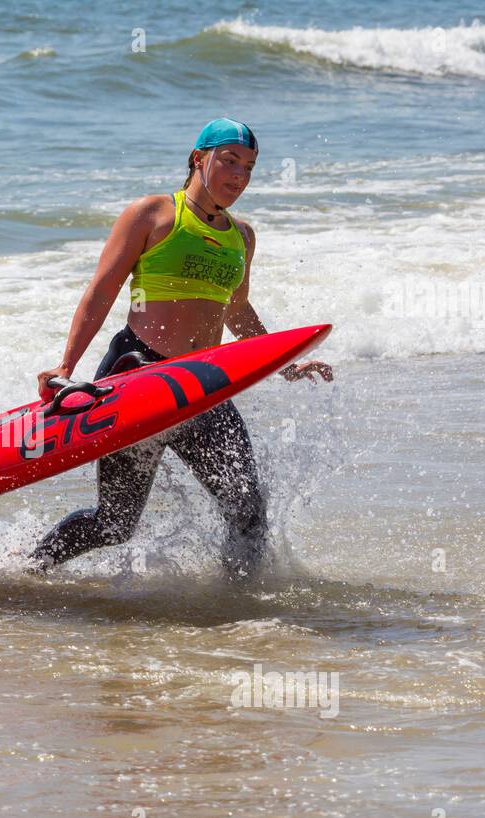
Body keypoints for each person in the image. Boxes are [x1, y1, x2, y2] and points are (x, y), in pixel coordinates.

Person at [30, 118, 333, 578]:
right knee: (115, 523)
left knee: (248, 513)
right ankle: (28, 568)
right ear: (199, 158)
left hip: (202, 385)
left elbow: (237, 310)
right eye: (229, 161)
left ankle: (241, 612)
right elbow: (102, 290)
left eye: (249, 168)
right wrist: (65, 367)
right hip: (137, 376)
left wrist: (285, 363)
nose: (238, 176)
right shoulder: (152, 214)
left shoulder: (242, 236)